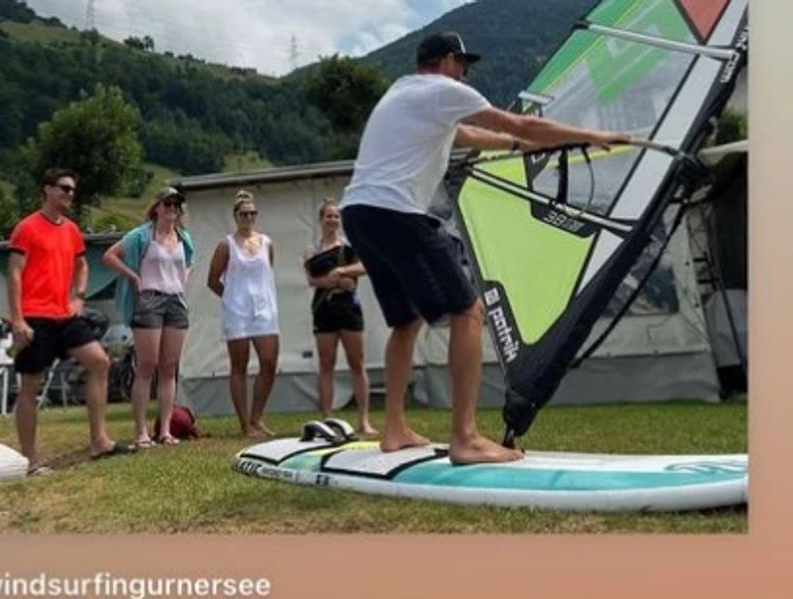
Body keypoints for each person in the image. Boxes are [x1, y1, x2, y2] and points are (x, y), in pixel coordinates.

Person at [339, 32, 631, 464]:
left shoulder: (406, 92)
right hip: (396, 213)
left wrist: (525, 146)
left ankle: (395, 429)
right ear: (446, 61)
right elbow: (519, 124)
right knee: (468, 310)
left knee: (406, 320)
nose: (466, 73)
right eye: (463, 64)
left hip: (360, 214)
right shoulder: (444, 90)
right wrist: (590, 134)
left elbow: (473, 137)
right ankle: (466, 438)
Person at [7, 168, 133, 473]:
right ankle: (29, 460)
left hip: (65, 315)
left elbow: (82, 265)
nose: (69, 194)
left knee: (100, 362)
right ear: (47, 190)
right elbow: (13, 273)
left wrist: (78, 297)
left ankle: (99, 441)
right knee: (30, 386)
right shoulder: (26, 228)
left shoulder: (72, 230)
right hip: (35, 316)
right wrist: (18, 320)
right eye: (64, 188)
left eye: (73, 190)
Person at [102, 187, 195, 449]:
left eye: (176, 205)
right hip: (149, 299)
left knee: (169, 366)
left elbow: (190, 261)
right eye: (167, 204)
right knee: (147, 365)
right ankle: (141, 431)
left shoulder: (183, 237)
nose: (172, 209)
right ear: (156, 207)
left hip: (175, 300)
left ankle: (165, 430)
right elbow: (109, 255)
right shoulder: (141, 235)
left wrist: (182, 279)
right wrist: (133, 276)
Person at [206, 190, 279, 437]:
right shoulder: (226, 245)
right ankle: (244, 423)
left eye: (252, 213)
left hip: (265, 311)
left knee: (269, 362)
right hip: (237, 312)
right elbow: (212, 280)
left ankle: (257, 418)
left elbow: (267, 272)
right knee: (240, 365)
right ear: (235, 216)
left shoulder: (266, 242)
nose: (248, 217)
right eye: (244, 213)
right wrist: (232, 299)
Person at [303, 199, 377, 435]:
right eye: (328, 216)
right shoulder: (312, 250)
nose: (332, 220)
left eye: (336, 216)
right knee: (326, 364)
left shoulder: (349, 247)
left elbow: (365, 266)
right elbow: (312, 279)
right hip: (324, 308)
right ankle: (327, 417)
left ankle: (364, 419)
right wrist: (331, 281)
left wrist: (342, 271)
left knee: (357, 362)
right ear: (321, 219)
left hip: (349, 308)